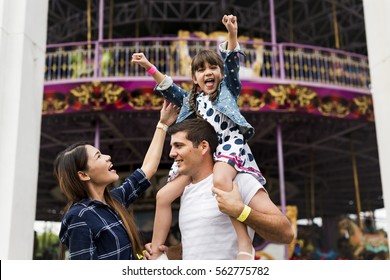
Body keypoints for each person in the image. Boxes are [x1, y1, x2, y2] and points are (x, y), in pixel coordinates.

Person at [132, 14, 266, 260]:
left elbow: (233, 62)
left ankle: (244, 242)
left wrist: (232, 34)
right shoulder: (192, 100)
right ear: (194, 78)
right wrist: (148, 66)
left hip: (227, 147)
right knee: (163, 195)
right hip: (201, 153)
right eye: (201, 69)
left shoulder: (228, 90)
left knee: (222, 181)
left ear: (221, 73)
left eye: (213, 67)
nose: (208, 73)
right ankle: (156, 249)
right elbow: (169, 88)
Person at [144, 118, 294, 260]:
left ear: (203, 147)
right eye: (172, 147)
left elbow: (286, 233)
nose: (171, 153)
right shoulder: (186, 191)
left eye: (179, 145)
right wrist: (169, 253)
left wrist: (242, 212)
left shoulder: (239, 181)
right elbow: (203, 243)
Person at [55, 100, 179, 260]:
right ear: (83, 175)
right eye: (98, 156)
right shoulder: (79, 217)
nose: (108, 157)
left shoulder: (114, 201)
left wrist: (163, 124)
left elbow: (148, 168)